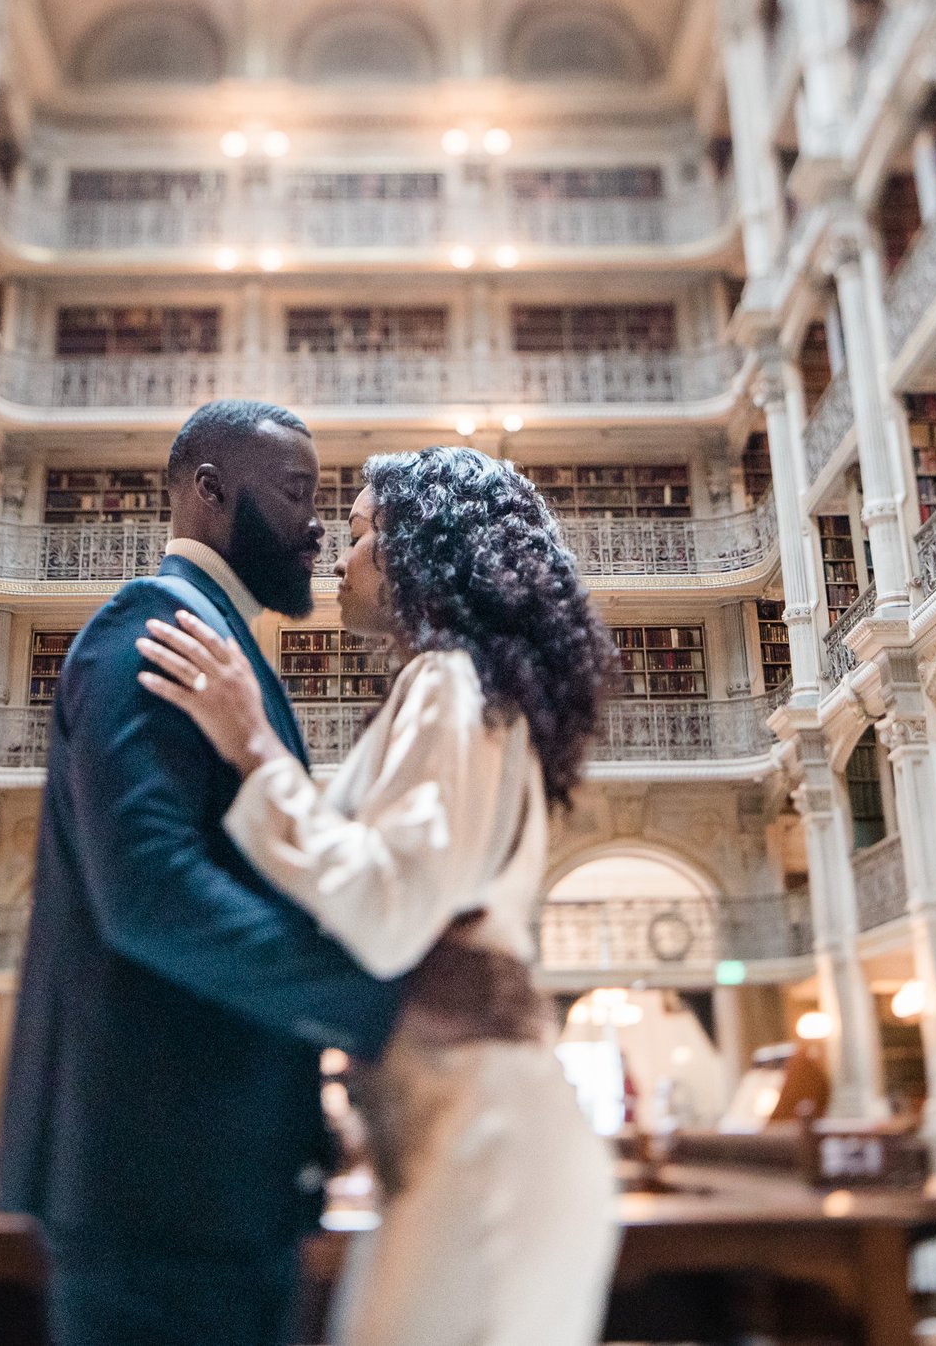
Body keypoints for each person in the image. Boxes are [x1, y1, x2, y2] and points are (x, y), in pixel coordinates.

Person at [136, 445, 623, 1346]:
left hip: (488, 1155)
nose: (341, 557)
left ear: (418, 553)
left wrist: (255, 748)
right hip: (470, 1136)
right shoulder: (469, 684)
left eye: (360, 535)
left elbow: (389, 912)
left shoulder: (448, 679)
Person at [0, 399, 401, 1346]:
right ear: (210, 492)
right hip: (157, 1180)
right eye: (297, 492)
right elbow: (149, 894)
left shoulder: (220, 643)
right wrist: (372, 995)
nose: (314, 525)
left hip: (208, 1176)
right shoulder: (155, 628)